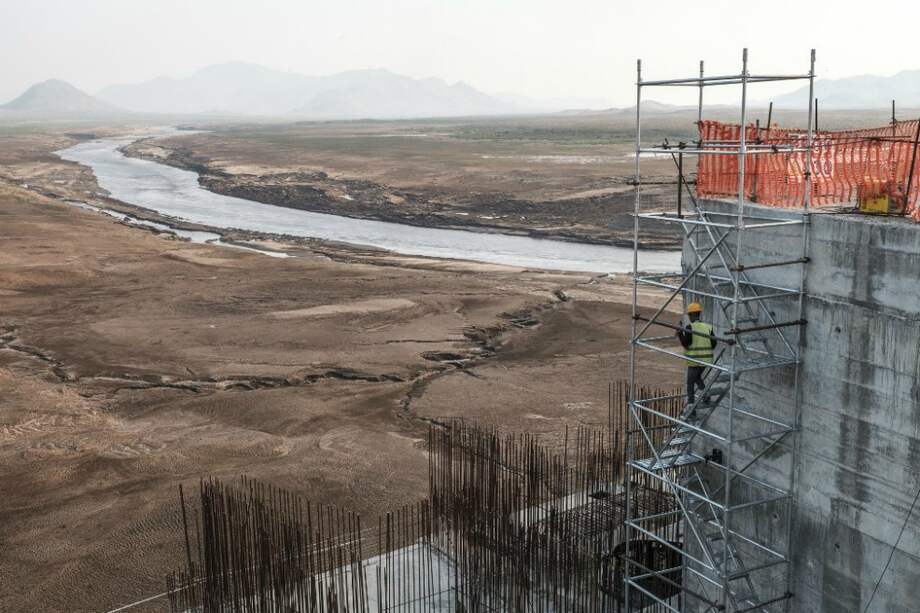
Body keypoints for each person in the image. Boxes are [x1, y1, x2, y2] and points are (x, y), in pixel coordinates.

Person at [676, 302, 716, 412]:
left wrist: (680, 333)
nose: (689, 317)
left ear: (693, 315)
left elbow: (686, 343)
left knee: (690, 382)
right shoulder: (708, 327)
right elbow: (714, 344)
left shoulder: (690, 327)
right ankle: (706, 394)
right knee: (697, 377)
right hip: (707, 359)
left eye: (689, 315)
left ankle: (690, 404)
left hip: (695, 360)